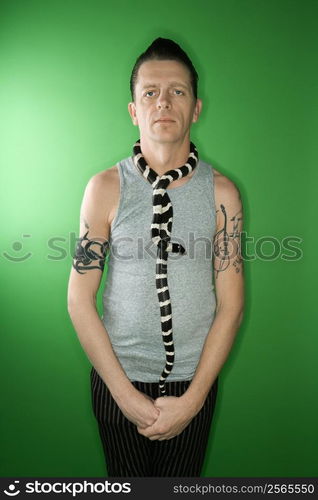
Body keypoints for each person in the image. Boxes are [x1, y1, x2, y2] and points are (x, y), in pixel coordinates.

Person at [67, 37, 244, 477]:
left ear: (196, 108)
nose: (163, 102)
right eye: (150, 92)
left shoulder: (222, 194)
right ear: (134, 109)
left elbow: (232, 304)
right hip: (117, 378)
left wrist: (193, 400)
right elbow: (78, 300)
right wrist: (124, 396)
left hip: (194, 383)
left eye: (177, 91)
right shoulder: (105, 188)